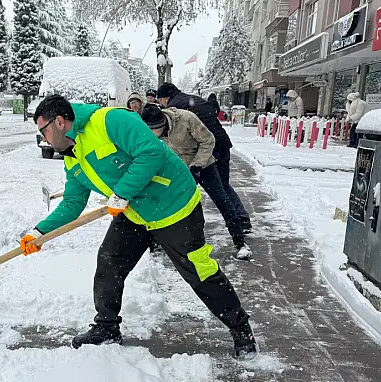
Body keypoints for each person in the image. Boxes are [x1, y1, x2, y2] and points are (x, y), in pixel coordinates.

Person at [20, 94, 257, 359]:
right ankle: (107, 327)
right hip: (134, 212)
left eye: (43, 130)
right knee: (109, 261)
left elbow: (151, 152)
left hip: (174, 206)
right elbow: (73, 202)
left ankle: (241, 329)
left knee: (198, 270)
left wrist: (121, 193)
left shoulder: (111, 120)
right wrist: (40, 233)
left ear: (60, 122)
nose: (44, 138)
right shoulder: (73, 157)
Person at [141, 104, 251, 259]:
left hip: (204, 165)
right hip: (178, 170)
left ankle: (240, 241)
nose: (152, 134)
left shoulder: (185, 119)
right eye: (148, 130)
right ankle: (159, 241)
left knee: (222, 200)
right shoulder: (148, 131)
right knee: (166, 203)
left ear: (163, 123)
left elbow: (208, 140)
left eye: (154, 130)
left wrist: (198, 164)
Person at [157, 82, 253, 233]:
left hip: (206, 148)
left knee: (187, 189)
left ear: (164, 98)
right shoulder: (193, 99)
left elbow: (184, 137)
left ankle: (179, 227)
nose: (160, 103)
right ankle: (241, 219)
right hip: (222, 143)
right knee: (224, 186)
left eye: (160, 100)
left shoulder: (174, 109)